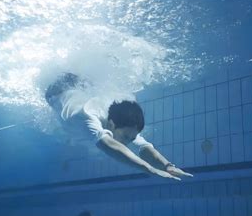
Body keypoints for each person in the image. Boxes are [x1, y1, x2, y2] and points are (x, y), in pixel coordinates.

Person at [45, 72, 192, 181]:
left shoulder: (120, 121)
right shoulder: (88, 117)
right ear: (111, 124)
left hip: (77, 88)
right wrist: (149, 168)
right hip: (55, 92)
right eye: (126, 137)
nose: (127, 142)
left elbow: (144, 147)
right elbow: (108, 144)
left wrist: (167, 166)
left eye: (131, 138)